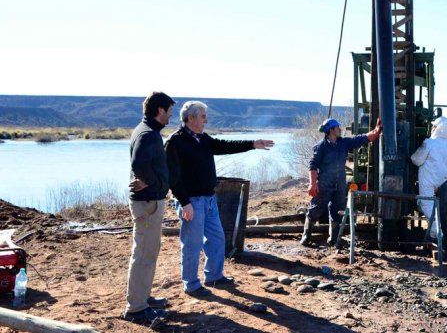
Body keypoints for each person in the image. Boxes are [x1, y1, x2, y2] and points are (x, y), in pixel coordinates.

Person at [165, 101, 274, 298]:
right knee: (192, 244)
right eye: (203, 116)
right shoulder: (175, 142)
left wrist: (252, 144)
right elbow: (172, 177)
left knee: (217, 239)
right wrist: (184, 202)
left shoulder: (202, 138)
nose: (206, 120)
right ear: (190, 118)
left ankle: (214, 276)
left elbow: (224, 146)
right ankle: (191, 284)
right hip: (192, 201)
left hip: (208, 199)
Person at [124, 91, 176, 323]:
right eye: (169, 112)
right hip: (147, 203)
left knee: (148, 251)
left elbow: (142, 165)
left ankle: (143, 298)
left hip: (149, 201)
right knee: (144, 253)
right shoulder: (148, 135)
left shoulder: (147, 131)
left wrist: (150, 180)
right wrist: (152, 181)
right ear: (159, 111)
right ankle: (136, 308)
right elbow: (138, 164)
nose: (170, 116)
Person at [300, 117, 382, 247]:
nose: (340, 129)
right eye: (337, 127)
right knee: (315, 209)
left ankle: (333, 239)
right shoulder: (321, 147)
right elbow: (313, 166)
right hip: (324, 184)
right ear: (331, 130)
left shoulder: (343, 143)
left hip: (339, 184)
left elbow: (360, 139)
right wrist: (312, 183)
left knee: (337, 210)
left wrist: (376, 131)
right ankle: (306, 236)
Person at [410, 116, 447, 238]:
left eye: (435, 126)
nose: (433, 128)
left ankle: (436, 233)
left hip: (427, 178)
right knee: (424, 202)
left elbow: (417, 160)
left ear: (439, 128)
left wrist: (409, 157)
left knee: (426, 204)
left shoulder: (430, 143)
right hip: (440, 179)